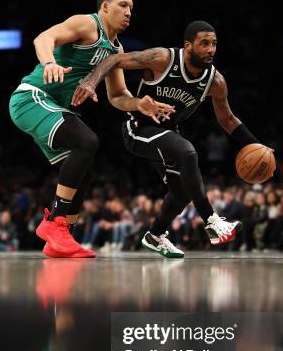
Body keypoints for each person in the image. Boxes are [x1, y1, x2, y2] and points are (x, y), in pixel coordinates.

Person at [9, 0, 174, 259]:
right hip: (30, 98)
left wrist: (139, 103)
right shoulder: (87, 24)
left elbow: (118, 96)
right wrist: (50, 64)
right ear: (105, 7)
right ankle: (54, 224)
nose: (129, 12)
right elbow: (43, 39)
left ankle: (61, 239)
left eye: (132, 8)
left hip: (51, 107)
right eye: (123, 5)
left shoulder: (115, 49)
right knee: (87, 141)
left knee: (84, 170)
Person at [72, 20, 261, 258]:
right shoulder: (162, 59)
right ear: (188, 46)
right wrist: (91, 81)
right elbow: (114, 60)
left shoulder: (216, 82)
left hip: (167, 134)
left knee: (181, 192)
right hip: (138, 128)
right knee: (188, 151)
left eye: (214, 44)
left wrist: (254, 143)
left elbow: (229, 119)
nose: (211, 49)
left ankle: (155, 235)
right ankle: (212, 221)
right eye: (204, 43)